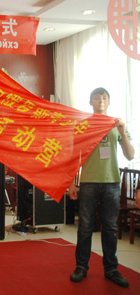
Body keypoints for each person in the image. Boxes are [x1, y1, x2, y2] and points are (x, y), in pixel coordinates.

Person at [68, 87, 135, 288]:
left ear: (109, 101)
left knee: (111, 228)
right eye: (97, 98)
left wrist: (122, 132)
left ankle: (111, 269)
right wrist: (71, 182)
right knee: (85, 227)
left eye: (104, 97)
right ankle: (81, 266)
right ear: (91, 102)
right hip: (88, 181)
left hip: (112, 182)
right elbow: (74, 156)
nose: (101, 100)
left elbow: (131, 155)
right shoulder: (83, 125)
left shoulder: (117, 124)